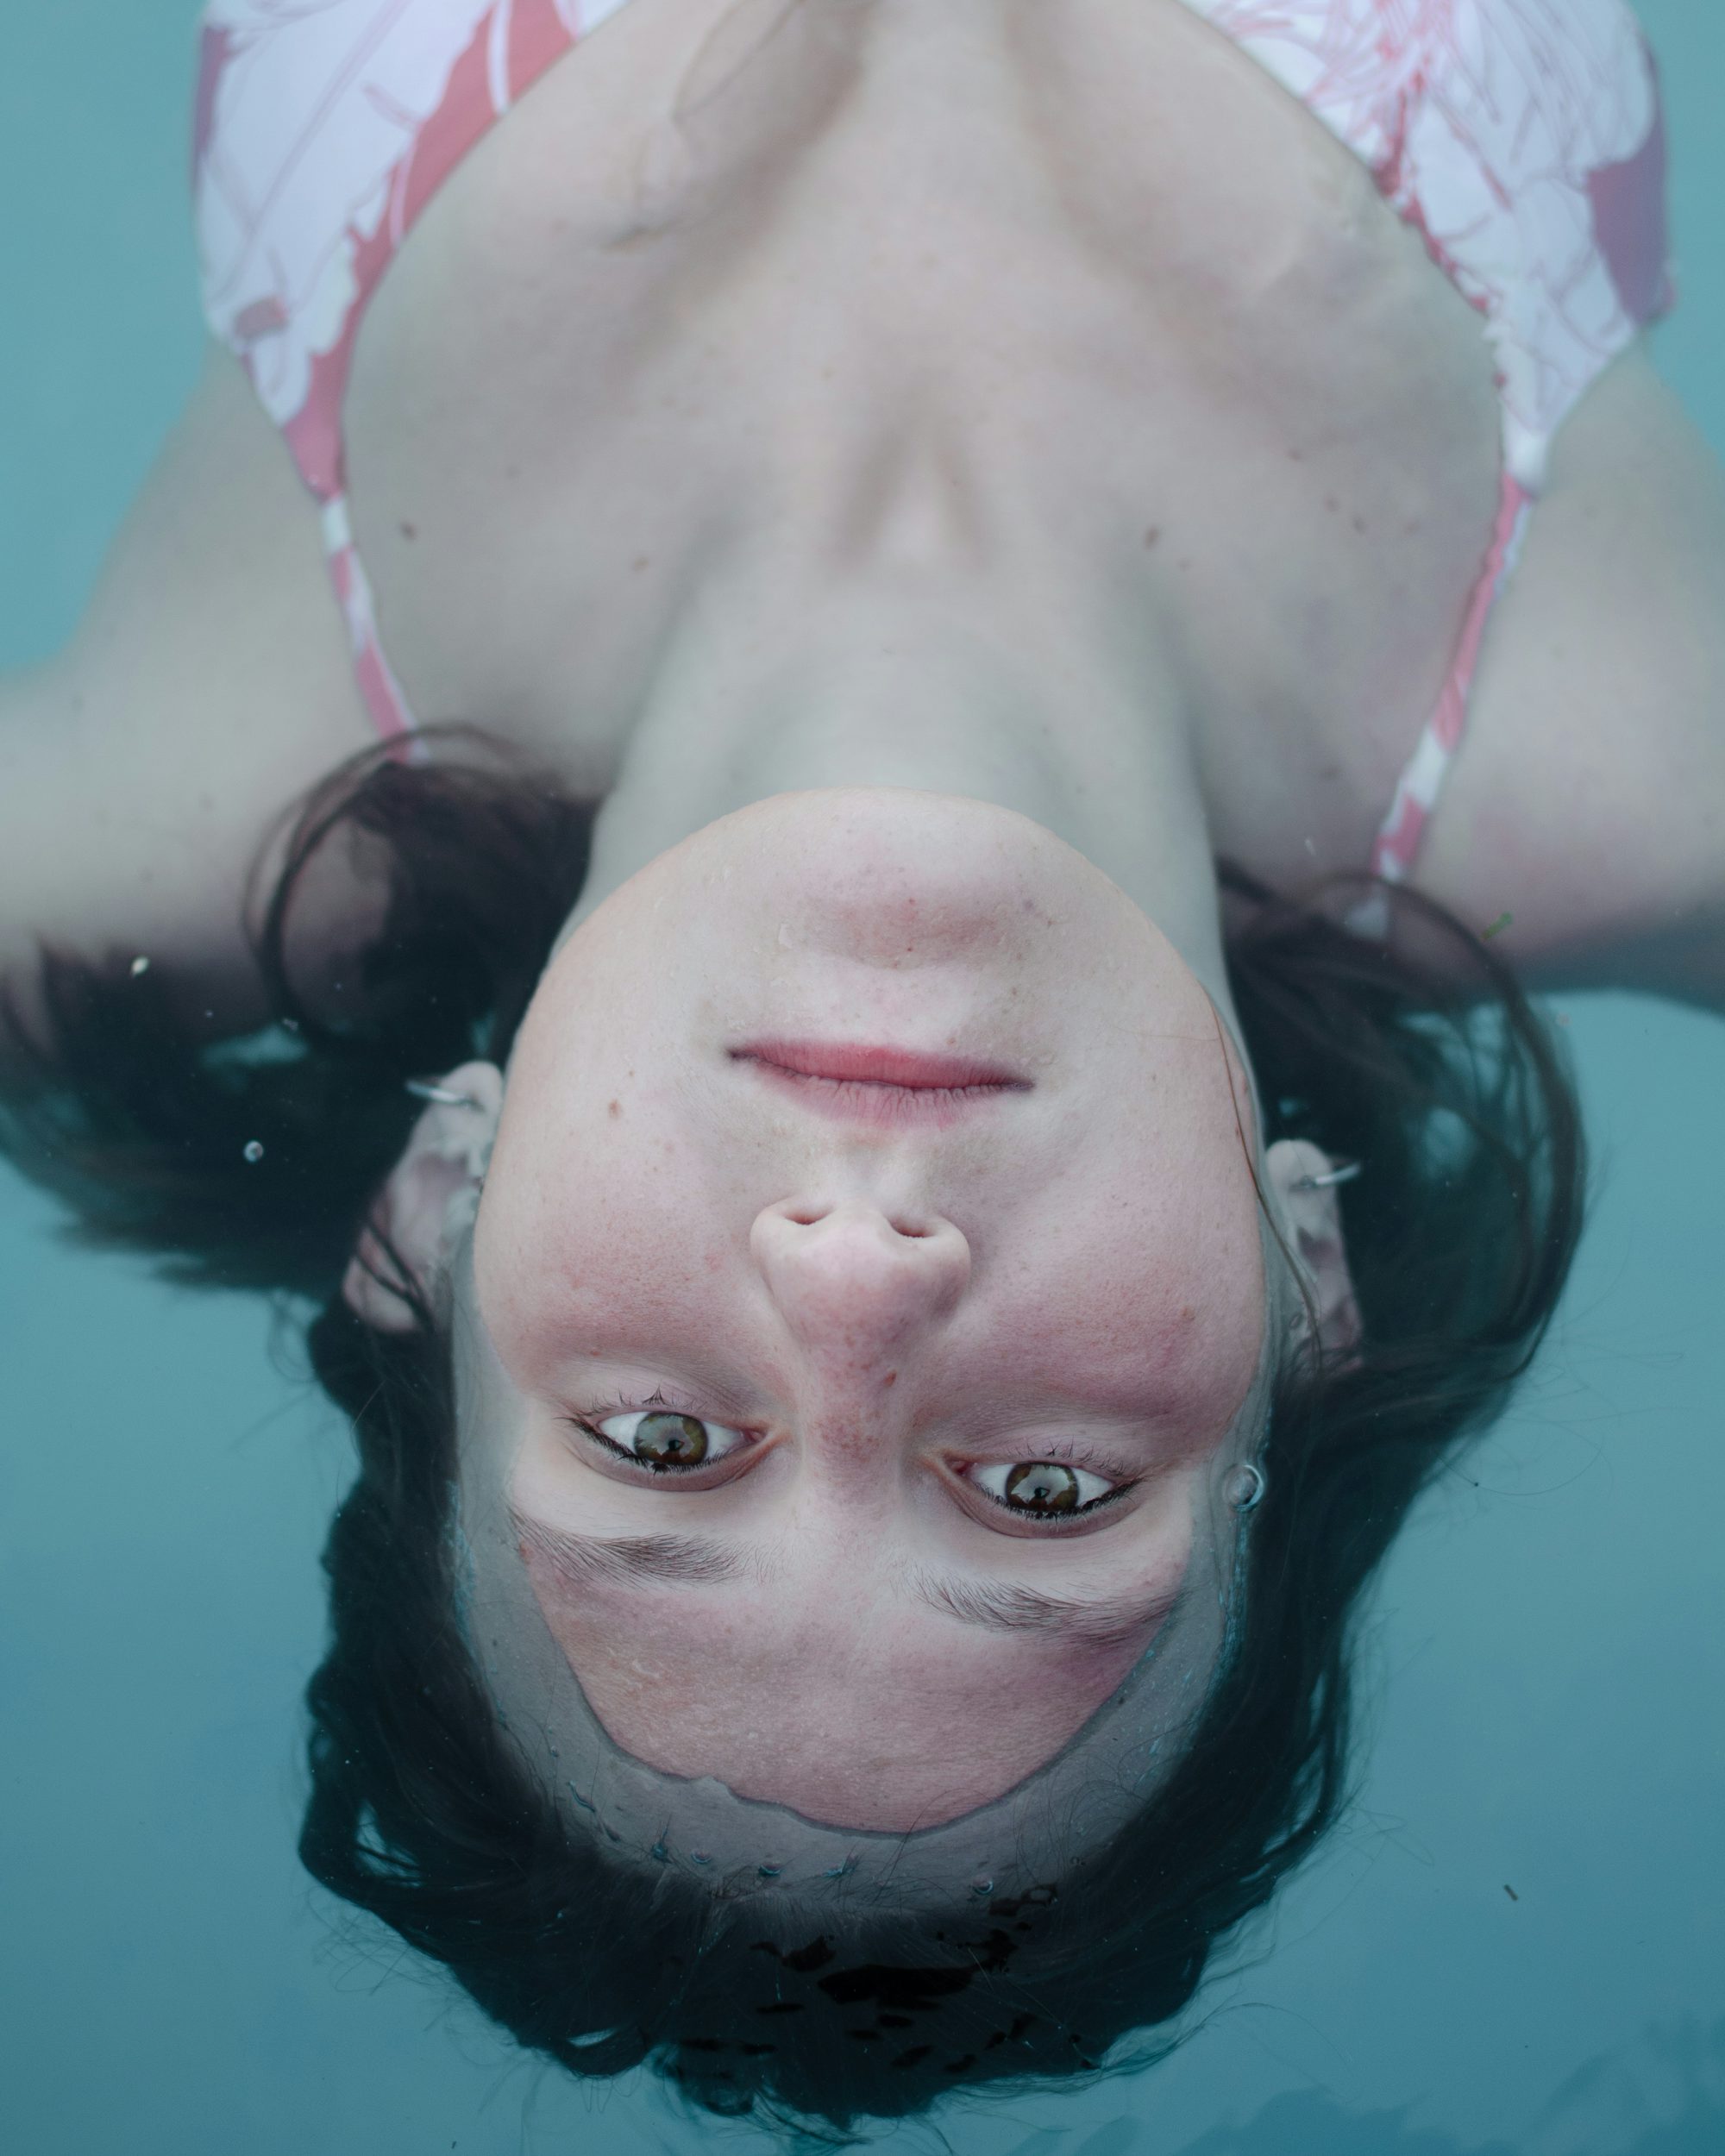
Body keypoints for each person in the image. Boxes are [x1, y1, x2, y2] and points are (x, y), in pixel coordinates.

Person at [1, 0, 1718, 2134]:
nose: (856, 1278)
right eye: (1047, 1488)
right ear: (1309, 1283)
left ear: (438, 1206)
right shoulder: (1641, 756)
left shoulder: (164, 799)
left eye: (656, 1439)